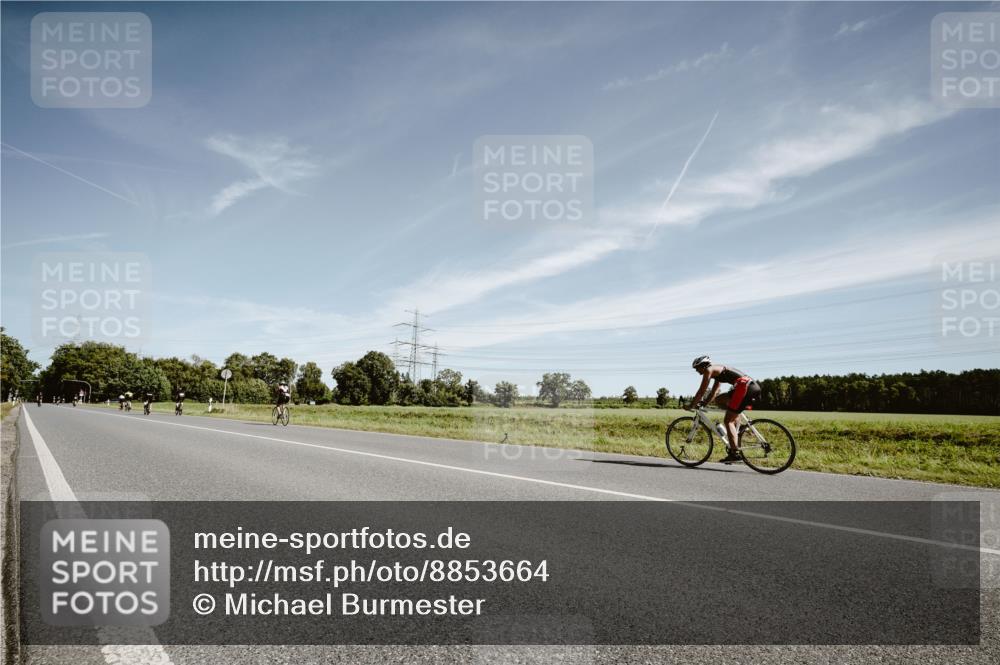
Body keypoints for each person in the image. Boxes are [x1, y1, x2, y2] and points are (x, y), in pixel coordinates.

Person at [685, 355, 762, 464]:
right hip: (750, 386)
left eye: (697, 368)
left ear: (703, 365)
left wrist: (691, 405)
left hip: (744, 387)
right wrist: (704, 403)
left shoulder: (709, 370)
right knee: (719, 400)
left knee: (727, 420)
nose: (697, 371)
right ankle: (736, 426)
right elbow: (714, 393)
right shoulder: (718, 372)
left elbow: (701, 391)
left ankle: (735, 453)